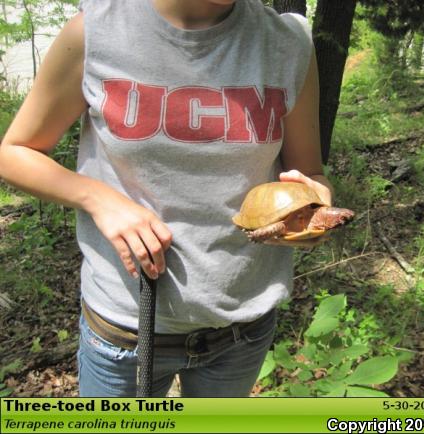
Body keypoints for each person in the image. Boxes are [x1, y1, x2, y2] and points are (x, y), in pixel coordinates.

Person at [0, 0, 334, 397]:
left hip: (241, 328)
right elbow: (15, 152)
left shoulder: (286, 42)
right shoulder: (95, 32)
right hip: (125, 329)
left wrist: (315, 207)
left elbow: (309, 172)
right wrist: (98, 197)